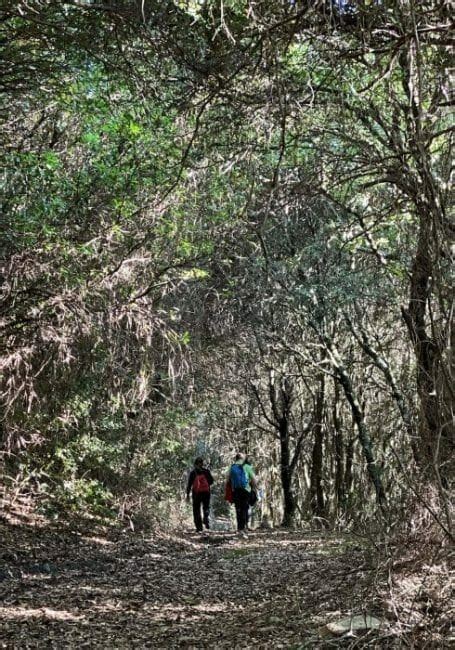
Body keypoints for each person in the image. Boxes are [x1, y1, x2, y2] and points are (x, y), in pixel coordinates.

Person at [229, 452, 257, 538]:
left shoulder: (232, 467)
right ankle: (244, 527)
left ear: (236, 458)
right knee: (245, 508)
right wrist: (254, 488)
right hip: (246, 490)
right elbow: (254, 480)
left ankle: (239, 528)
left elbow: (228, 480)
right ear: (243, 458)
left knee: (238, 508)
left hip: (236, 490)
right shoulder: (247, 467)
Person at [186, 457, 214, 533]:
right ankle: (205, 517)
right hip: (206, 493)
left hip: (196, 494)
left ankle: (199, 528)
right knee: (206, 507)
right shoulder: (206, 471)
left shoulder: (193, 473)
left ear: (195, 464)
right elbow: (211, 482)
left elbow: (189, 484)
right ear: (202, 463)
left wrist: (188, 494)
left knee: (196, 510)